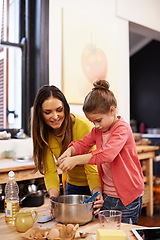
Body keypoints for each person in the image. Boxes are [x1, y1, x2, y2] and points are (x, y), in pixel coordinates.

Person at [58, 79, 144, 225]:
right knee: (107, 232)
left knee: (125, 233)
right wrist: (70, 151)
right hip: (108, 194)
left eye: (98, 120)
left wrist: (75, 160)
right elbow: (83, 143)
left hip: (127, 197)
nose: (96, 126)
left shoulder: (122, 129)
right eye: (92, 122)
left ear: (112, 110)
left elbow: (107, 154)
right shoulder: (98, 130)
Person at [32, 85, 103, 214]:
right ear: (40, 114)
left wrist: (97, 193)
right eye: (48, 112)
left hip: (96, 185)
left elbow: (92, 168)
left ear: (65, 107)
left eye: (59, 110)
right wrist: (53, 196)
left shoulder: (84, 126)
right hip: (73, 186)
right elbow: (50, 171)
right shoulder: (43, 134)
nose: (55, 116)